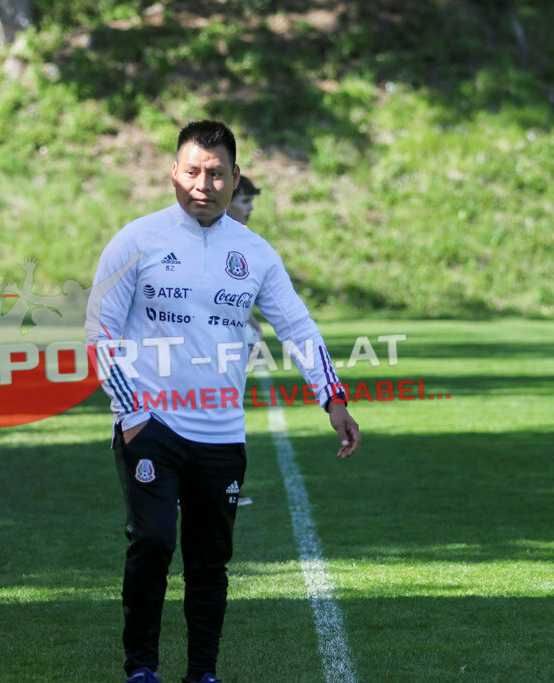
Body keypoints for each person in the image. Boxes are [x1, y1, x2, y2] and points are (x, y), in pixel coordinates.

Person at [86, 120, 359, 683]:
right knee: (154, 542)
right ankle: (141, 668)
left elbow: (299, 328)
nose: (202, 184)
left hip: (221, 434)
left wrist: (333, 398)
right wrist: (132, 416)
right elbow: (99, 335)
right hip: (151, 425)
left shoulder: (255, 253)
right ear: (173, 173)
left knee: (209, 562)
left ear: (235, 178)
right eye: (191, 171)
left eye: (215, 173)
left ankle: (202, 673)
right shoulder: (136, 240)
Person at [225, 175, 264, 507]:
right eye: (245, 201)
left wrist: (251, 322)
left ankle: (225, 488)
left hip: (235, 337)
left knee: (229, 409)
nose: (250, 209)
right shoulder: (208, 236)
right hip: (211, 344)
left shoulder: (242, 239)